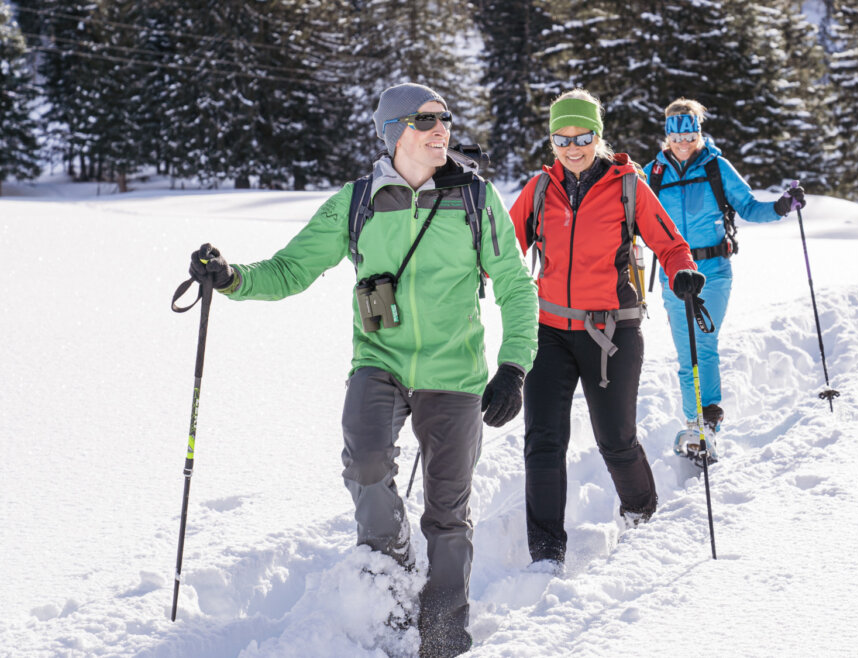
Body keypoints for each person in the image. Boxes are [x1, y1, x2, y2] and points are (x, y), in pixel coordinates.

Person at [186, 83, 538, 658]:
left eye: (445, 117)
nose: (441, 129)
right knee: (367, 460)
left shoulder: (476, 199)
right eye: (427, 120)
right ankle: (390, 574)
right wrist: (232, 279)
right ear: (394, 131)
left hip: (455, 372)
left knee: (448, 512)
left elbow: (518, 287)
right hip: (379, 361)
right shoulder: (357, 202)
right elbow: (291, 270)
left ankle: (445, 637)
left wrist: (514, 365)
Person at [508, 89, 704, 567]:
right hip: (548, 331)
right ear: (551, 140)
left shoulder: (628, 185)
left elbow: (670, 243)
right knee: (543, 442)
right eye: (562, 137)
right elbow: (502, 247)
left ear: (598, 137)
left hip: (611, 332)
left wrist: (683, 272)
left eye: (583, 136)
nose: (573, 147)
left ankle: (641, 516)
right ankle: (547, 551)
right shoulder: (538, 190)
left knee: (615, 438)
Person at [644, 98, 805, 437]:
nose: (683, 143)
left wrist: (781, 206)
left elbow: (747, 206)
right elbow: (630, 214)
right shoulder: (652, 174)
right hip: (673, 274)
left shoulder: (716, 167)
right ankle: (695, 426)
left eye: (690, 135)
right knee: (686, 354)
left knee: (703, 342)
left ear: (699, 133)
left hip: (713, 270)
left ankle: (709, 417)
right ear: (667, 136)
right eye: (676, 136)